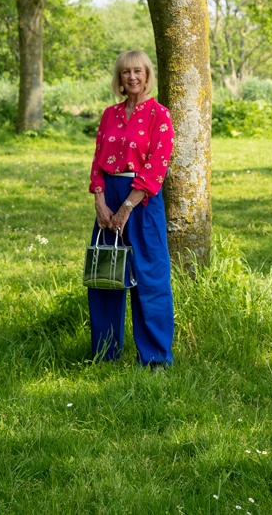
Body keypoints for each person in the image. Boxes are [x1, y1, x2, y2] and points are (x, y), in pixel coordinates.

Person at [88, 49, 175, 366]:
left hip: (142, 202)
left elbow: (156, 167)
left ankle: (155, 359)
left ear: (147, 76)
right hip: (108, 201)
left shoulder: (159, 115)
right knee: (105, 275)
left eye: (138, 71)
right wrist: (100, 201)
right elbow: (97, 161)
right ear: (119, 79)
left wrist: (126, 208)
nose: (132, 77)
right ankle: (104, 354)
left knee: (150, 279)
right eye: (126, 72)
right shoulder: (109, 114)